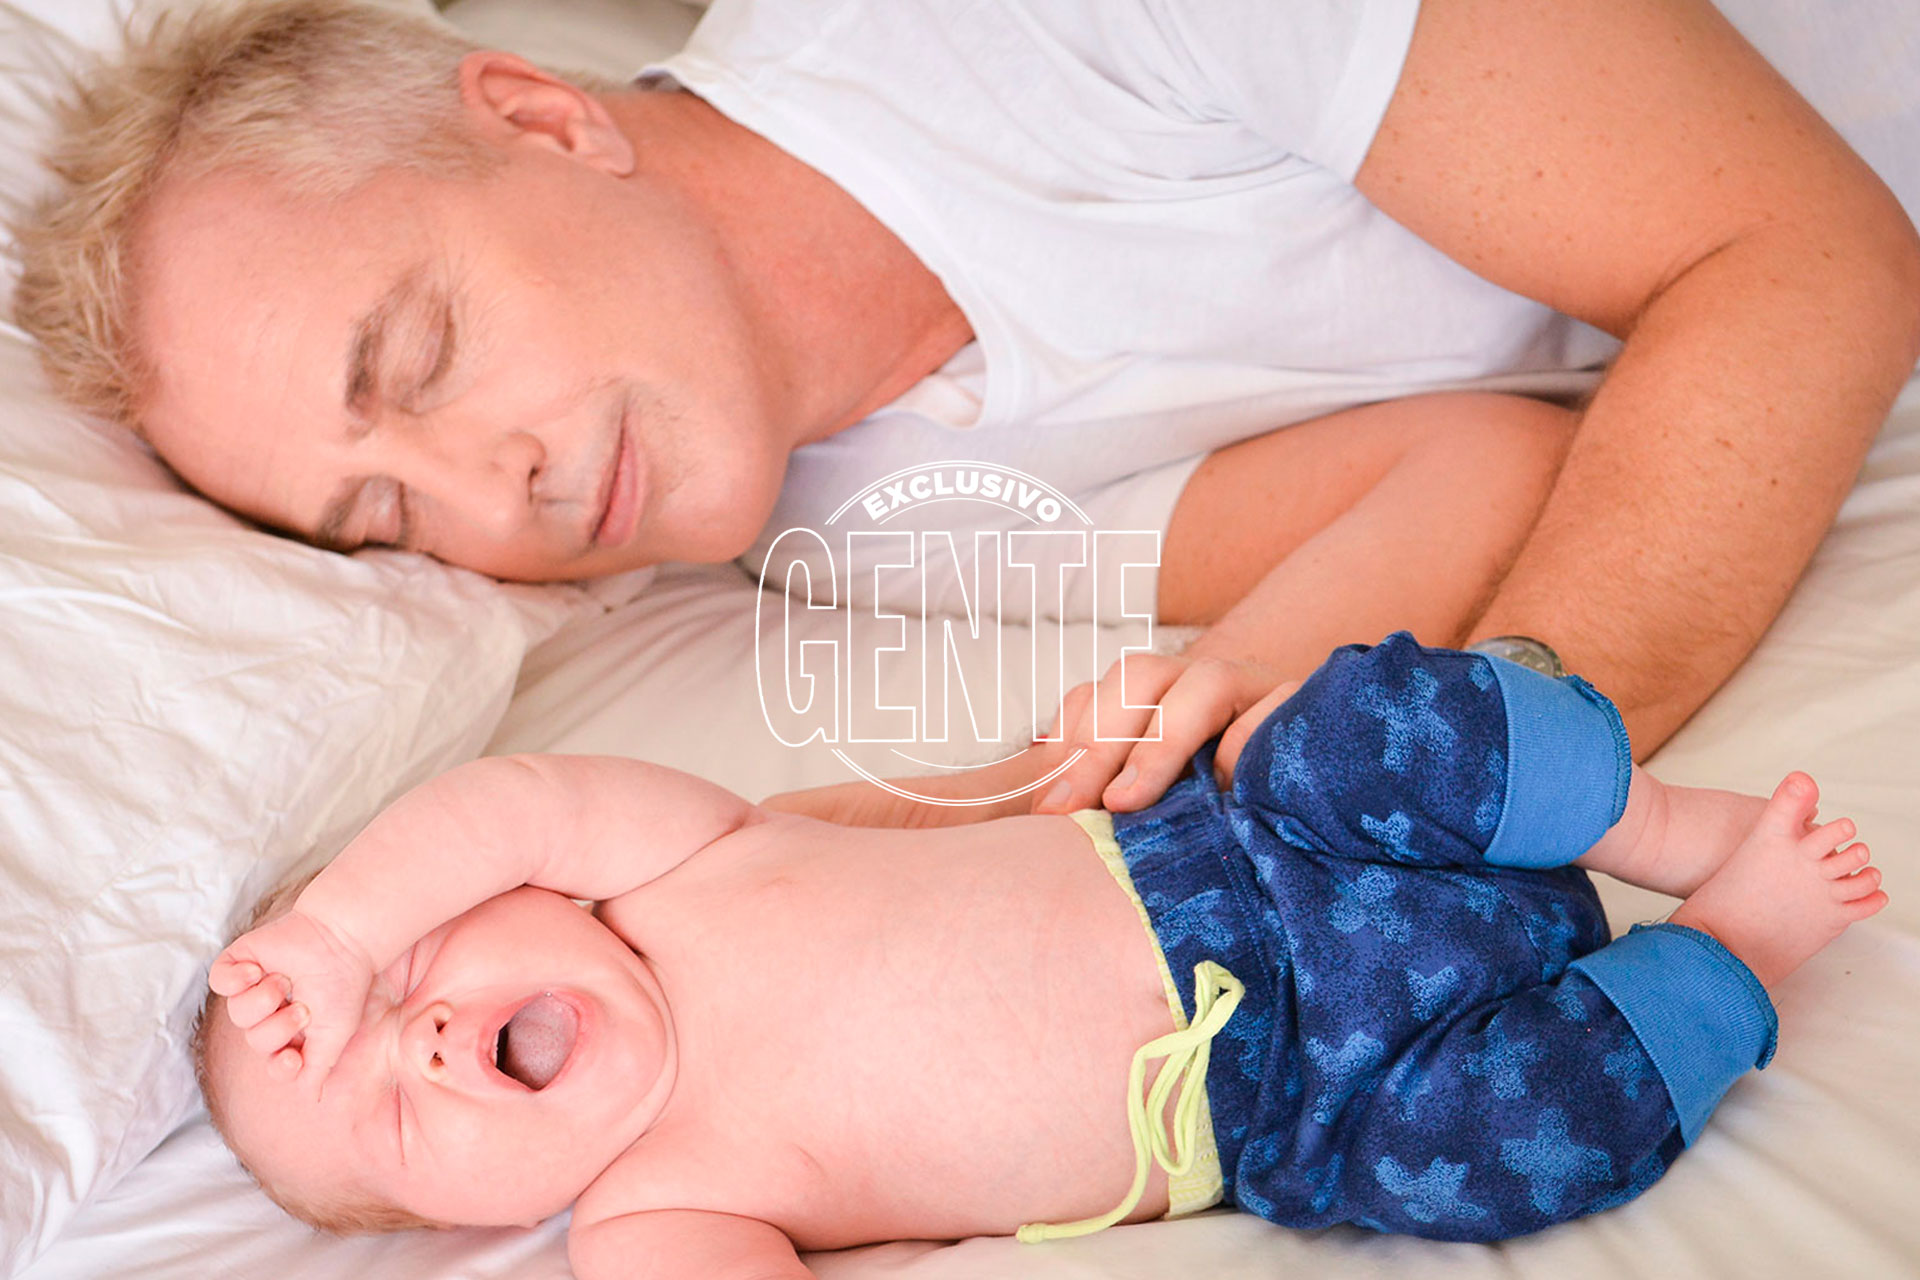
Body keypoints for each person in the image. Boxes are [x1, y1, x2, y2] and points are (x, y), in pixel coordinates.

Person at [14, 0, 1920, 791]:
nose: (485, 490)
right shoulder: (830, 532)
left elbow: (1800, 263)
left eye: (419, 360)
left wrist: (1502, 783)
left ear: (541, 115)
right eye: (386, 518)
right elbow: (1473, 466)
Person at [198, 635, 1885, 1274]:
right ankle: (1731, 947)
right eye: (397, 1112)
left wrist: (336, 932)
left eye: (407, 974)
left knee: (1355, 721)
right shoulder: (658, 1206)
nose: (426, 1034)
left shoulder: (672, 861)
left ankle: (1664, 829)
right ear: (473, 1224)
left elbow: (515, 797)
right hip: (1308, 1096)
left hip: (1250, 839)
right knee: (1480, 1154)